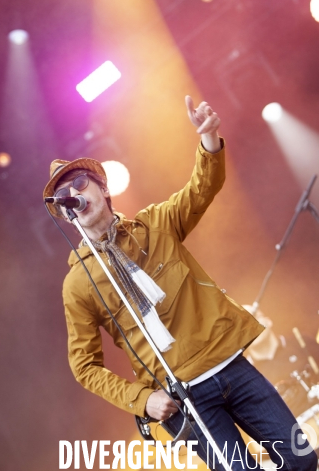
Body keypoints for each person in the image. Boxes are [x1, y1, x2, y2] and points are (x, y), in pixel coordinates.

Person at [43, 96, 318, 471]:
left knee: (302, 461)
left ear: (103, 189)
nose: (74, 195)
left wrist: (209, 138)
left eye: (79, 184)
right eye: (63, 197)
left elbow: (202, 189)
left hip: (227, 364)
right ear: (65, 215)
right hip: (183, 398)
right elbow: (85, 366)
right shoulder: (79, 283)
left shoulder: (155, 224)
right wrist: (142, 400)